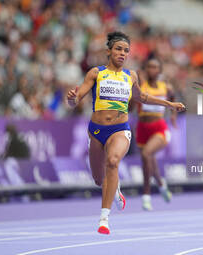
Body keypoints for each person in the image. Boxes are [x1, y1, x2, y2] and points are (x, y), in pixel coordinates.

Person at [66, 31, 185, 235]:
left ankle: (104, 219)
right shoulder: (96, 73)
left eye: (126, 51)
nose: (122, 53)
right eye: (118, 49)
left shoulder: (131, 76)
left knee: (112, 161)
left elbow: (143, 97)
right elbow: (78, 97)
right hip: (96, 131)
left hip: (120, 129)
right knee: (97, 179)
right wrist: (71, 99)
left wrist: (169, 104)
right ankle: (115, 186)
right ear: (109, 51)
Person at [136, 57, 176, 211]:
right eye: (149, 67)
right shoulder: (141, 86)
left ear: (159, 71)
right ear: (146, 70)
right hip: (142, 128)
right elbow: (133, 107)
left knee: (147, 154)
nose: (152, 70)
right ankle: (161, 184)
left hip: (159, 127)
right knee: (149, 160)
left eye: (155, 67)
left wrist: (173, 115)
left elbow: (172, 99)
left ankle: (146, 195)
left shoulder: (166, 87)